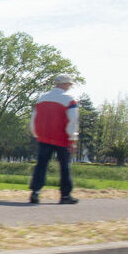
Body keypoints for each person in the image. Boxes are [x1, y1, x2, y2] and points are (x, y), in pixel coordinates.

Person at [29, 73, 79, 204]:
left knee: (41, 166)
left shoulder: (41, 98)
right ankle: (65, 196)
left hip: (44, 137)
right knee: (64, 167)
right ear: (66, 84)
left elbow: (34, 118)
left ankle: (35, 192)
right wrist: (72, 139)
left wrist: (36, 134)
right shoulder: (69, 99)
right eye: (69, 84)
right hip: (62, 138)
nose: (69, 86)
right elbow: (72, 121)